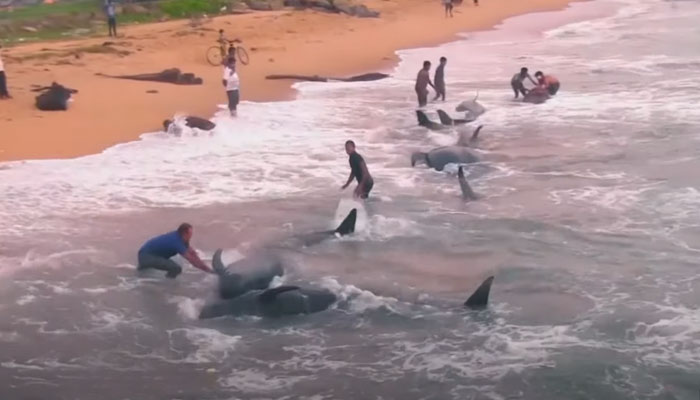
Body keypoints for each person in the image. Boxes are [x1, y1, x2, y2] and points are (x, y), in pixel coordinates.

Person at [137, 223, 213, 278]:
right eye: (190, 233)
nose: (191, 235)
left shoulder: (180, 237)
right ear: (184, 233)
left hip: (146, 253)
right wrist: (210, 271)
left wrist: (205, 266)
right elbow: (192, 261)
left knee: (142, 274)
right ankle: (168, 285)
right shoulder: (176, 242)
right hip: (146, 256)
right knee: (176, 268)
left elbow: (192, 253)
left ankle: (139, 275)